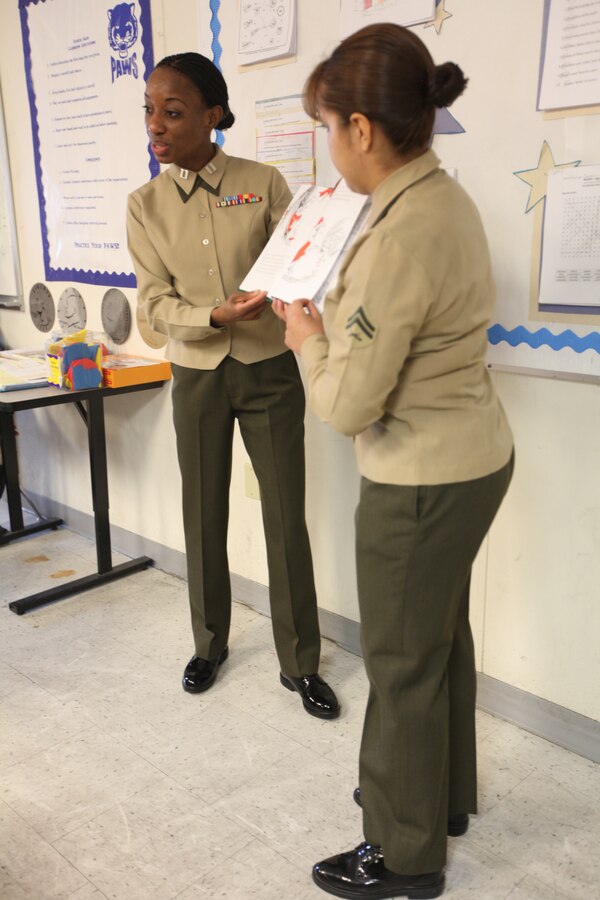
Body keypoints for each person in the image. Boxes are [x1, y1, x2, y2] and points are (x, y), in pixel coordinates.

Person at [273, 23, 514, 899]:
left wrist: (305, 334)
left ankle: (404, 852)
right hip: (475, 457)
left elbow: (344, 407)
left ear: (362, 130)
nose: (329, 144)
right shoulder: (439, 198)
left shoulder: (398, 235)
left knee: (402, 663)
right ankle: (437, 799)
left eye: (328, 126)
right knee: (438, 636)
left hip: (419, 479)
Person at [126, 52, 339, 720]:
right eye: (150, 111)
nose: (157, 125)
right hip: (195, 376)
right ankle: (209, 644)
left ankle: (300, 662)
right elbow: (152, 307)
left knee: (284, 519)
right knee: (202, 515)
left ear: (212, 115)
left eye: (174, 111)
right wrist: (211, 315)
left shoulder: (262, 181)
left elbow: (297, 258)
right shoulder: (145, 206)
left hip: (269, 372)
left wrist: (300, 288)